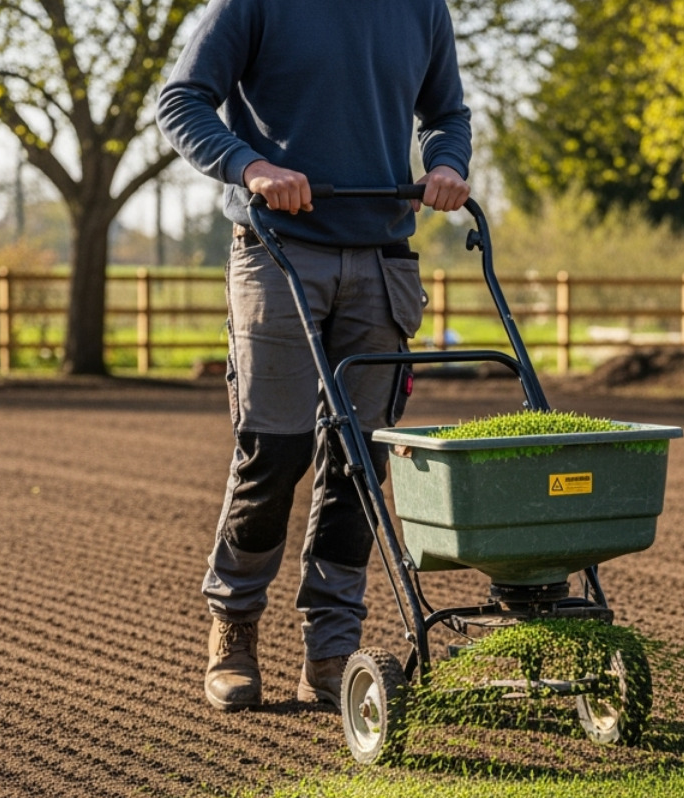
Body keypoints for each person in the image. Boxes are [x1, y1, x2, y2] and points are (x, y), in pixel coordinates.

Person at [156, 0, 471, 711]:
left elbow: (447, 114)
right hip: (277, 249)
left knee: (360, 460)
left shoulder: (421, 8)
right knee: (274, 448)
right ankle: (233, 626)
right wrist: (250, 165)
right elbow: (181, 100)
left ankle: (331, 647)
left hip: (382, 254)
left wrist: (449, 163)